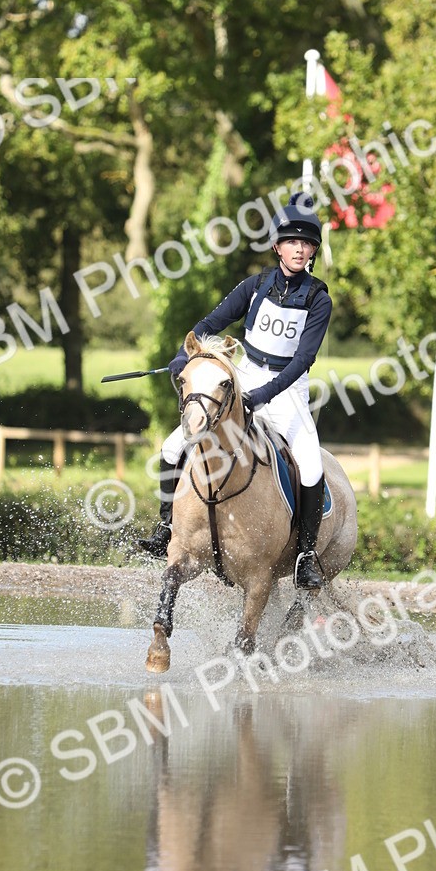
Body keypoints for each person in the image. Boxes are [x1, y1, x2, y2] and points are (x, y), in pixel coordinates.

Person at [138, 193, 332, 589]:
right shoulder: (255, 284)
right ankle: (165, 529)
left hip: (288, 388)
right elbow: (210, 322)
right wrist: (183, 358)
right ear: (277, 247)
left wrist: (262, 397)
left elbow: (302, 361)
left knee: (311, 465)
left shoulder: (318, 299)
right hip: (242, 375)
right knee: (174, 448)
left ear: (313, 250)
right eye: (292, 241)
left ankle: (306, 556)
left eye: (307, 243)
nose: (300, 248)